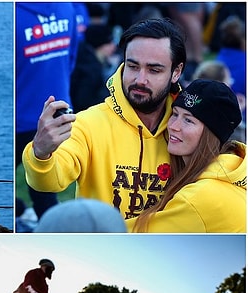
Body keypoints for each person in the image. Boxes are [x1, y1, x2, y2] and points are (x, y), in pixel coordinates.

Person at [23, 18, 187, 222]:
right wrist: (41, 152)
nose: (140, 80)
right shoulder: (88, 123)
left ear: (176, 72)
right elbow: (49, 182)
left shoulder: (191, 129)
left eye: (154, 70)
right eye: (133, 66)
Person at [128, 79, 245, 232]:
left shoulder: (198, 198)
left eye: (188, 120)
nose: (173, 126)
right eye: (175, 114)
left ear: (211, 134)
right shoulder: (232, 172)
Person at [16, 2, 80, 222]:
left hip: (21, 117)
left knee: (39, 186)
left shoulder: (15, 15)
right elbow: (72, 58)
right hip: (57, 110)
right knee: (44, 186)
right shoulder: (67, 7)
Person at [70, 24, 119, 112]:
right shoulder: (90, 70)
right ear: (100, 45)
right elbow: (84, 102)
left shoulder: (83, 56)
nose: (113, 46)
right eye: (109, 42)